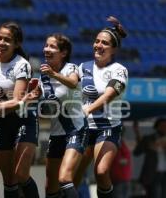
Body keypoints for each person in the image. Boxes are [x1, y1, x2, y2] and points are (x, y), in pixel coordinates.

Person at [0, 22, 39, 198]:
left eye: (7, 40)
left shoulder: (22, 65)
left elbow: (17, 101)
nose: (1, 42)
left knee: (20, 174)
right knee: (9, 180)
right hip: (0, 123)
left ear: (17, 44)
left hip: (23, 120)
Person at [75, 16, 128, 198]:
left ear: (113, 49)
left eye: (104, 43)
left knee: (101, 171)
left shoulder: (119, 70)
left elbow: (108, 94)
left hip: (107, 128)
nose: (98, 45)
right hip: (83, 129)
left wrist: (88, 110)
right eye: (97, 41)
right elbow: (68, 85)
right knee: (72, 178)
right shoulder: (83, 67)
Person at [39, 33, 88, 198]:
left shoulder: (70, 68)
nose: (47, 49)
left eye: (52, 46)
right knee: (50, 188)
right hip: (56, 134)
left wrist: (54, 74)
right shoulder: (43, 76)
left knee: (64, 179)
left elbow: (73, 83)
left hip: (75, 130)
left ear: (63, 53)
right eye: (46, 45)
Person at [133, 118, 166, 198]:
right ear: (157, 127)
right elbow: (136, 152)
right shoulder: (149, 138)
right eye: (162, 126)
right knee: (155, 194)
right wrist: (149, 146)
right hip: (153, 174)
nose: (164, 128)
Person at [110, 129, 132, 198]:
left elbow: (122, 160)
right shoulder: (122, 143)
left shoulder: (118, 144)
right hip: (124, 178)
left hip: (118, 178)